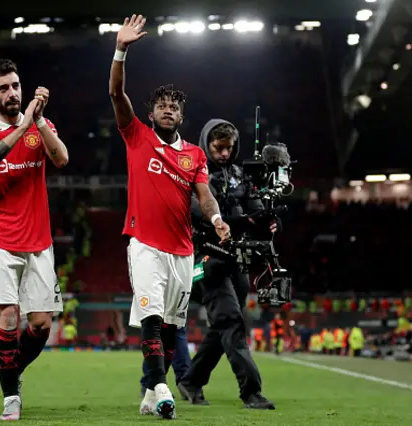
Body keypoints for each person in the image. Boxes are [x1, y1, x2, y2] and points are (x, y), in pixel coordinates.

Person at [109, 14, 230, 420]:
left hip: (182, 250)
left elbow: (205, 196)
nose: (166, 110)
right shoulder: (136, 135)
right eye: (160, 105)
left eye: (173, 106)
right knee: (151, 316)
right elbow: (115, 93)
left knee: (171, 328)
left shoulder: (194, 156)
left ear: (181, 116)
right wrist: (121, 49)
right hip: (144, 243)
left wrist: (216, 221)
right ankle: (162, 387)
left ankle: (147, 391)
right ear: (152, 112)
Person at [0, 58, 69, 421]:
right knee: (7, 319)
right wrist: (22, 125)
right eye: (4, 87)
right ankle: (11, 396)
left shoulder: (40, 126)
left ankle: (12, 370)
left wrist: (37, 121)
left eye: (16, 85)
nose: (12, 93)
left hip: (38, 240)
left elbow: (62, 158)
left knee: (40, 324)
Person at [177, 119, 276, 410]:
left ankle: (191, 380)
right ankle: (251, 391)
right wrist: (244, 220)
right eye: (218, 148)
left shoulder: (239, 175)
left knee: (225, 326)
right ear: (207, 143)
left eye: (228, 148)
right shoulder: (196, 174)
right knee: (232, 322)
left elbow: (255, 209)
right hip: (208, 257)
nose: (224, 153)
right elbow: (200, 215)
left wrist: (269, 218)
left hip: (237, 261)